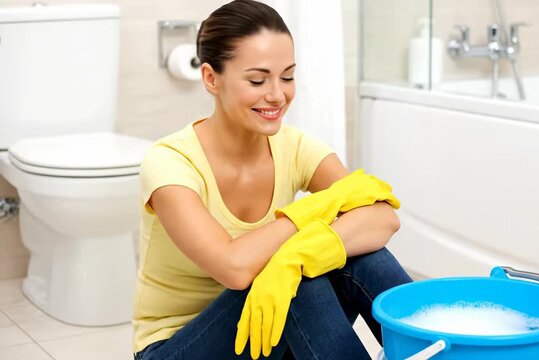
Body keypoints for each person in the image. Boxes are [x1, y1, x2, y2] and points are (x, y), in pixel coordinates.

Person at [132, 1, 412, 359]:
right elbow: (234, 267)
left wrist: (296, 256)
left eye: (288, 76)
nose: (278, 95)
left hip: (266, 334)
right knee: (298, 283)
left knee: (355, 257)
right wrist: (318, 212)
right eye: (257, 80)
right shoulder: (171, 162)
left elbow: (383, 217)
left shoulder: (295, 147)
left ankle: (447, 351)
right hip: (175, 347)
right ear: (210, 78)